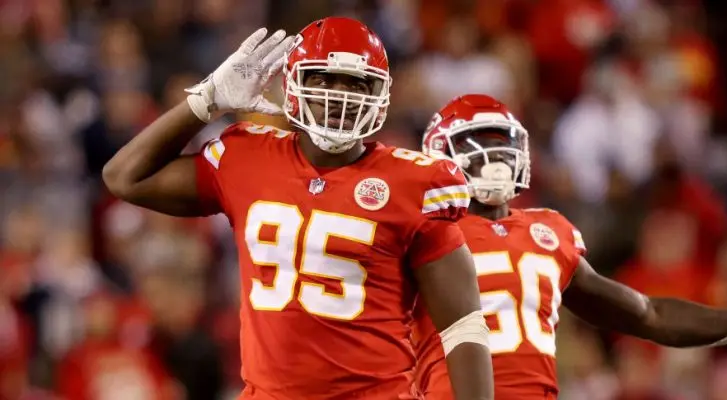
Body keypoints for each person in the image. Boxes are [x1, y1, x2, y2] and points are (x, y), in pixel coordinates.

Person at [102, 18, 494, 400]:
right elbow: (124, 177)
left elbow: (463, 326)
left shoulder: (413, 183)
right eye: (323, 79)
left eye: (355, 83)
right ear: (293, 85)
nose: (338, 95)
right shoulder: (247, 157)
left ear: (380, 94)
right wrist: (207, 100)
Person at [413, 93, 727, 399]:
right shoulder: (419, 231)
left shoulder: (548, 233)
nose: (494, 157)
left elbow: (650, 314)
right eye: (475, 145)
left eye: (501, 142)